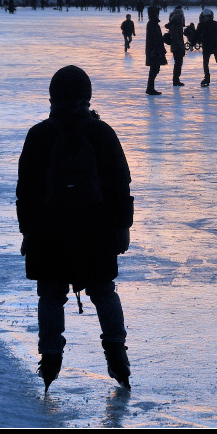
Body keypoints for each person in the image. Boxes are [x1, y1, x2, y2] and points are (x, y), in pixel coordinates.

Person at [15, 65, 134, 392]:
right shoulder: (101, 132)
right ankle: (117, 356)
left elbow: (25, 190)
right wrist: (122, 228)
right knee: (103, 291)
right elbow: (120, 185)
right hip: (95, 233)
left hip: (48, 234)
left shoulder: (39, 135)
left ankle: (50, 358)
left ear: (53, 96)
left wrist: (27, 231)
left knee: (50, 294)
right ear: (87, 95)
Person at [197, 8, 217, 86]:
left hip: (215, 46)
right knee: (205, 63)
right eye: (205, 17)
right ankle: (207, 78)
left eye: (208, 16)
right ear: (203, 17)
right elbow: (196, 34)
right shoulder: (201, 25)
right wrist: (192, 44)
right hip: (206, 46)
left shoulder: (215, 24)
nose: (206, 18)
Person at [144, 5, 167, 95]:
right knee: (154, 69)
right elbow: (153, 39)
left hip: (155, 50)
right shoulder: (152, 24)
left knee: (155, 69)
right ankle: (150, 88)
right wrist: (156, 50)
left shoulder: (153, 24)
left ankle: (150, 88)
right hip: (154, 51)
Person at [168, 4, 186, 86]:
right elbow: (177, 37)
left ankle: (176, 79)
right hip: (177, 47)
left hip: (176, 46)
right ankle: (175, 80)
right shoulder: (177, 24)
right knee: (178, 63)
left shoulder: (174, 23)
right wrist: (181, 47)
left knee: (178, 63)